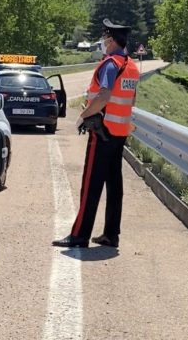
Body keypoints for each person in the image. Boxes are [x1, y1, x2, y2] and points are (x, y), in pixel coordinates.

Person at [52, 18, 140, 248]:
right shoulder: (131, 66)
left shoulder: (110, 64)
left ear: (111, 39)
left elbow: (103, 96)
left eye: (104, 37)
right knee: (114, 184)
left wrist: (85, 115)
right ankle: (111, 234)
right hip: (119, 132)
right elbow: (131, 99)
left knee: (91, 184)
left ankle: (79, 235)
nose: (102, 41)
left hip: (102, 132)